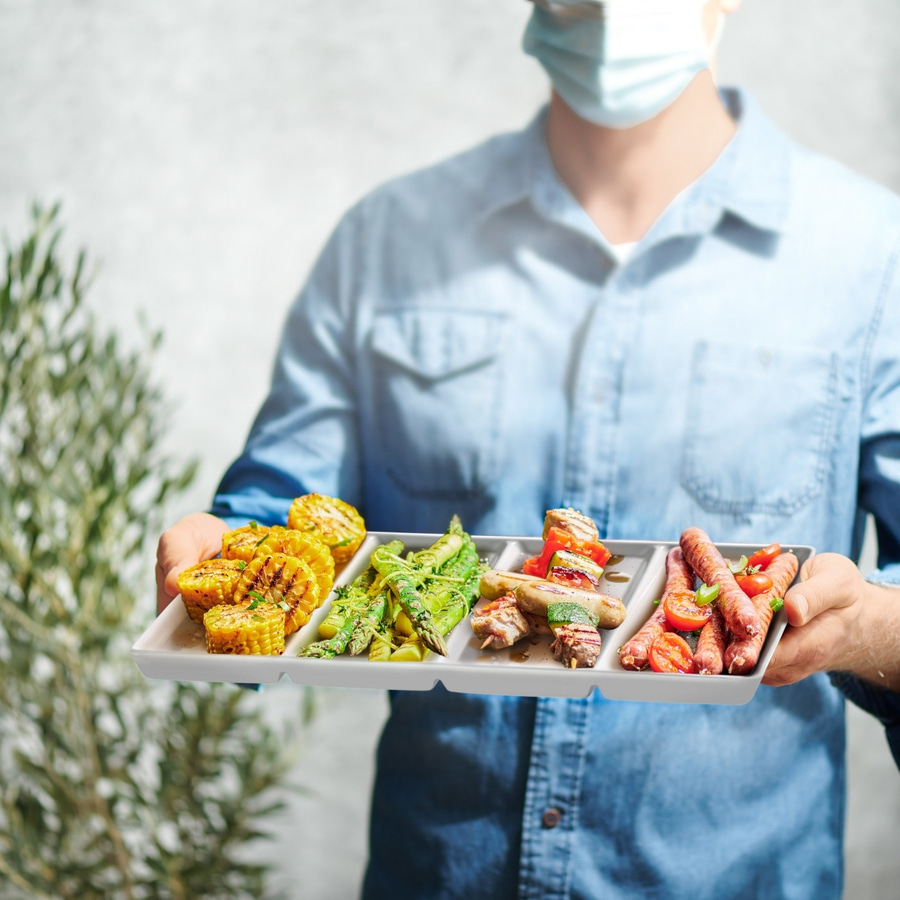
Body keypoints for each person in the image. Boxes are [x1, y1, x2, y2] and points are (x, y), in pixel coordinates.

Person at [156, 0, 900, 896]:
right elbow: (282, 520)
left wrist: (865, 631)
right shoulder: (385, 243)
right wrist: (222, 558)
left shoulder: (872, 261)